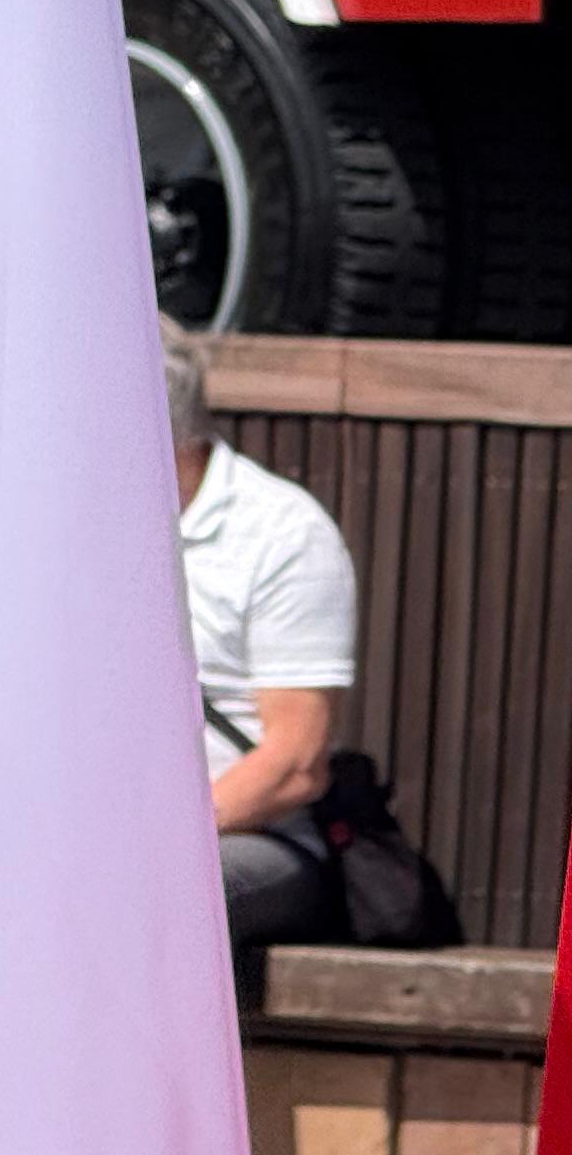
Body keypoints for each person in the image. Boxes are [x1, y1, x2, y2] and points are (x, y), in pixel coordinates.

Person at [167, 316, 358, 946]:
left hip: (247, 837)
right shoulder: (65, 525)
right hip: (87, 837)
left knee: (143, 891)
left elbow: (296, 764)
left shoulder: (281, 532)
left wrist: (151, 842)